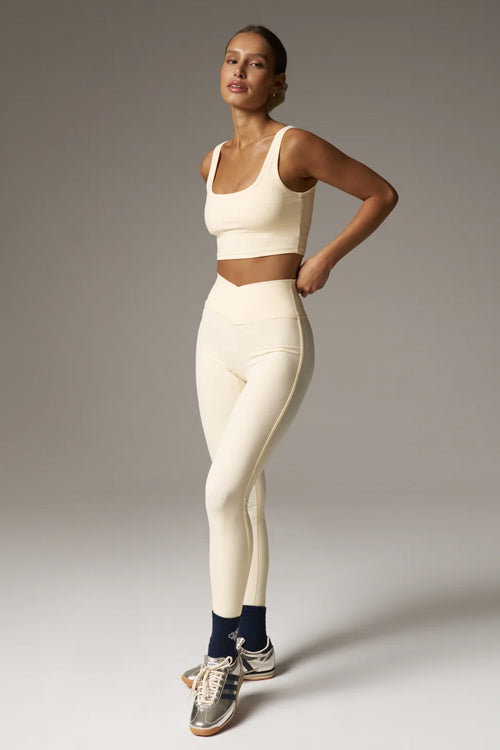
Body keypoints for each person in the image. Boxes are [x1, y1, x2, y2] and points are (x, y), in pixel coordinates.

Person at [183, 24, 399, 736]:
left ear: (277, 83)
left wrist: (325, 258)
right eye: (232, 59)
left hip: (276, 333)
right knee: (243, 495)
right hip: (216, 330)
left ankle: (220, 658)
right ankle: (255, 643)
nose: (240, 71)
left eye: (258, 64)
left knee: (222, 492)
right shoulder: (212, 159)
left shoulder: (294, 145)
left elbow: (380, 193)